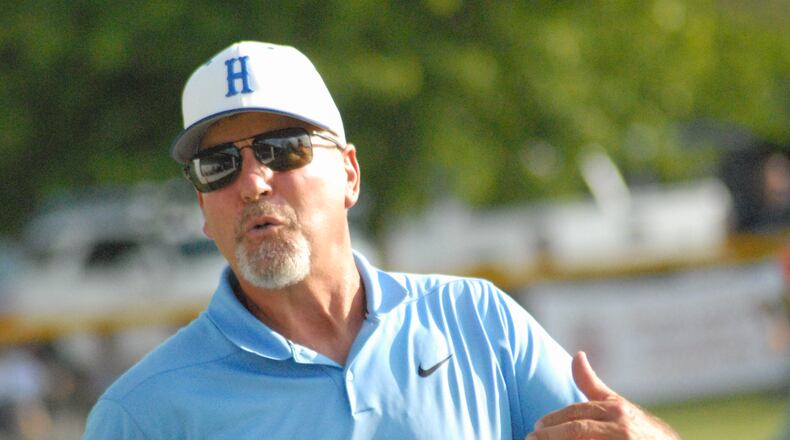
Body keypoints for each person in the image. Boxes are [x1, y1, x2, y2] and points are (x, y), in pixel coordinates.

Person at [83, 41, 679, 439]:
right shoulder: (141, 413)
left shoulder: (475, 318)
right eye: (218, 165)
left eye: (280, 148)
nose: (254, 182)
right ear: (202, 207)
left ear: (348, 173)